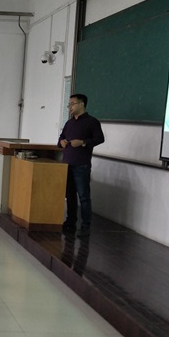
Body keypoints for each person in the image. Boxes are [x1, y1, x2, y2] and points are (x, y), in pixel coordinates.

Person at [58, 93, 105, 237]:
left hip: (81, 165)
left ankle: (85, 226)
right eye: (69, 104)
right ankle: (70, 222)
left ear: (81, 104)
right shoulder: (69, 123)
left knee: (84, 196)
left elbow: (100, 139)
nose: (70, 107)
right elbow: (61, 138)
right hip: (67, 164)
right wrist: (62, 142)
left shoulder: (92, 122)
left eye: (72, 104)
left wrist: (83, 142)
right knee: (70, 195)